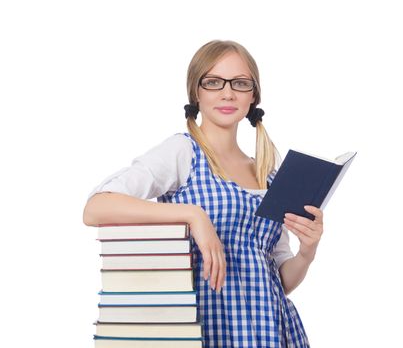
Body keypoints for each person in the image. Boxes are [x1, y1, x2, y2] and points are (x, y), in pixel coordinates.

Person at [83, 40, 322, 347]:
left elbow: (279, 281)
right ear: (196, 93)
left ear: (253, 95)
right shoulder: (183, 152)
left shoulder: (269, 172)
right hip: (205, 329)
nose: (227, 93)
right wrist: (193, 215)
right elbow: (96, 208)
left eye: (240, 83)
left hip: (272, 331)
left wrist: (307, 251)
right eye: (213, 82)